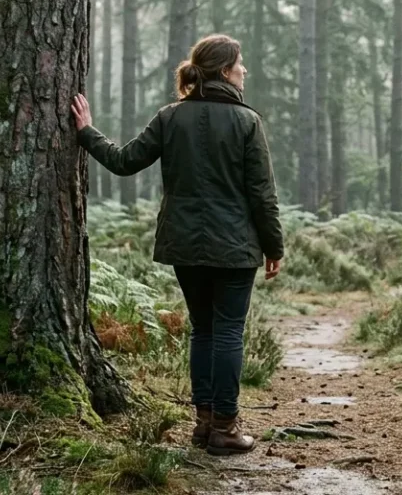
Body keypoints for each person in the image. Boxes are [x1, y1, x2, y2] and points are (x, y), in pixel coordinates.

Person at [71, 34, 283, 456]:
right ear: (225, 71)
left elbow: (124, 160)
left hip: (185, 245)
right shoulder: (247, 122)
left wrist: (87, 132)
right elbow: (262, 194)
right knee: (226, 332)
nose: (245, 71)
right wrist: (274, 246)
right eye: (240, 64)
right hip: (235, 247)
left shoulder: (171, 117)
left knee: (203, 331)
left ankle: (204, 425)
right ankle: (225, 426)